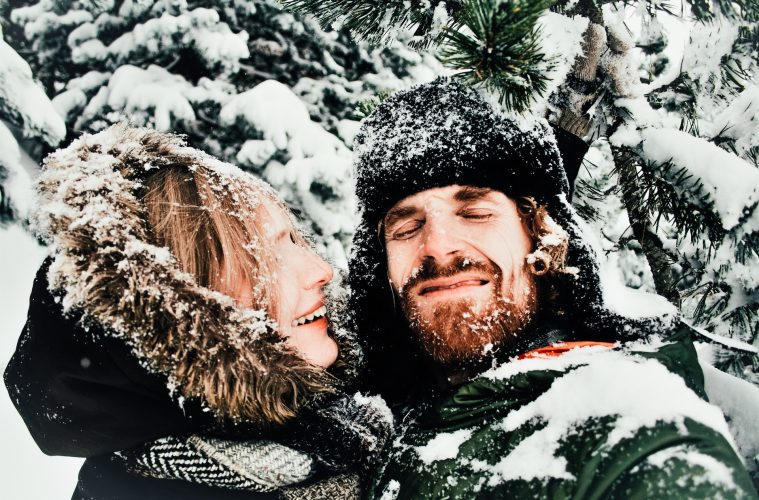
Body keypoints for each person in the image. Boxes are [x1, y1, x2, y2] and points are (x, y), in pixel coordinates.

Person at [347, 78, 758, 498]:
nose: (436, 245)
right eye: (407, 227)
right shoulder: (370, 416)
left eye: (475, 213)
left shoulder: (630, 427)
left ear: (540, 236)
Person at [4, 125, 391, 499]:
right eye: (267, 256)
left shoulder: (348, 425)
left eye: (293, 240)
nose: (320, 270)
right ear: (182, 310)